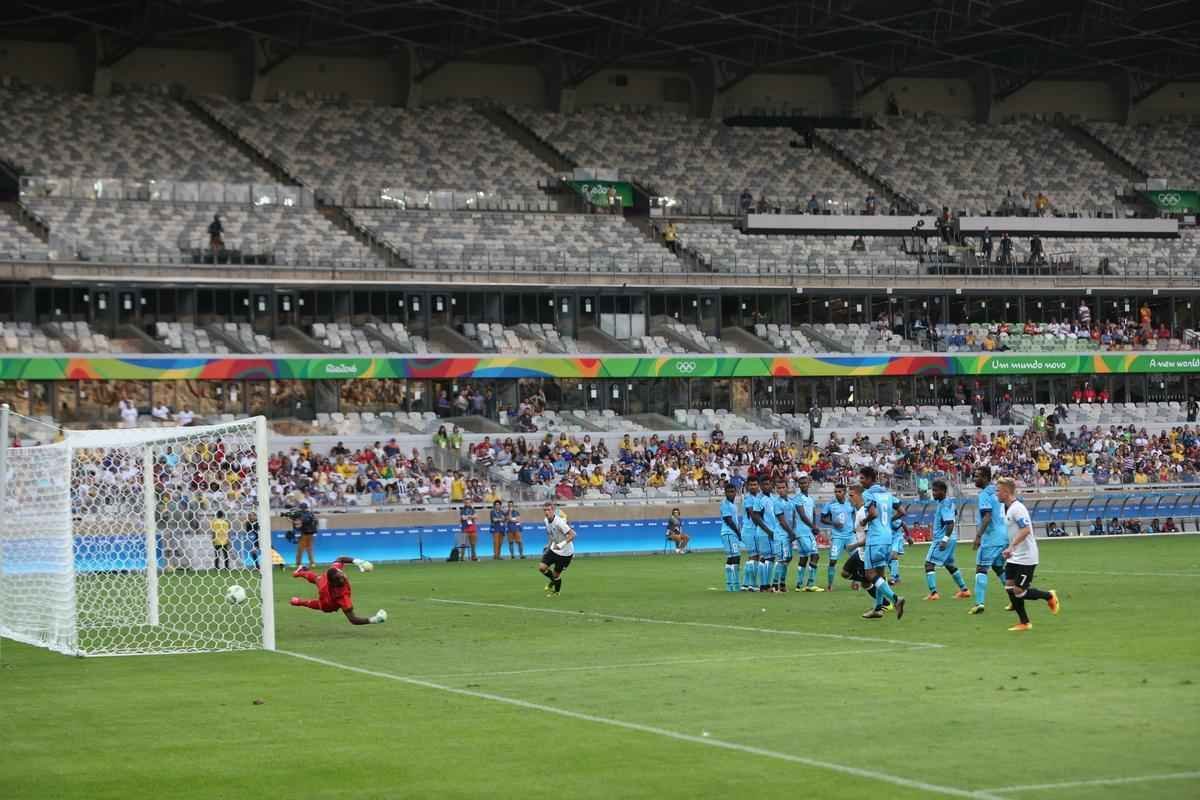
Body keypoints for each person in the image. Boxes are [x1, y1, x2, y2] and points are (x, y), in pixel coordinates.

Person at [997, 477, 1059, 631]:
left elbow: (1025, 530)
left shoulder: (1017, 508)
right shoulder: (1008, 508)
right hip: (1015, 555)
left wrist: (1011, 547)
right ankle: (1024, 622)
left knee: (1019, 591)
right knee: (1009, 587)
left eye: (998, 490)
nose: (996, 493)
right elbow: (1014, 531)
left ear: (1006, 492)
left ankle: (1049, 596)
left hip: (1026, 557)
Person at [858, 466, 904, 620]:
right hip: (888, 536)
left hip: (875, 538)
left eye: (863, 478)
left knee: (869, 574)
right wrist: (889, 521)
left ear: (870, 479)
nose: (861, 481)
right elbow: (902, 511)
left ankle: (895, 599)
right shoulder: (887, 493)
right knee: (880, 574)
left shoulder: (868, 494)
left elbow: (873, 513)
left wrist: (865, 520)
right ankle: (878, 609)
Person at [289, 557, 386, 625]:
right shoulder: (342, 597)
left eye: (341, 575)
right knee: (321, 605)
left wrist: (359, 562)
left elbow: (340, 558)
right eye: (340, 578)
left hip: (324, 579)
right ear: (334, 584)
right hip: (329, 600)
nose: (343, 577)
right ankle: (298, 602)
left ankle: (299, 572)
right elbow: (353, 620)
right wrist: (374, 620)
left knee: (315, 578)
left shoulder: (334, 570)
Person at [968, 466, 1009, 616]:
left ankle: (979, 603)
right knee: (999, 568)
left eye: (977, 476)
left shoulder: (984, 494)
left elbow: (987, 516)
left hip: (991, 539)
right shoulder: (996, 491)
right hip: (1003, 536)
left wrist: (978, 536)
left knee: (981, 569)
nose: (974, 478)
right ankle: (1014, 599)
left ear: (986, 478)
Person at [923, 479, 970, 600]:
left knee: (929, 564)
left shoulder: (945, 504)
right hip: (952, 538)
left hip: (942, 539)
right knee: (949, 565)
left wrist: (944, 539)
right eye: (933, 490)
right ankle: (964, 590)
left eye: (936, 490)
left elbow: (949, 523)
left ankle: (934, 593)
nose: (933, 493)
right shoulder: (948, 503)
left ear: (943, 491)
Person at [820, 483, 856, 591]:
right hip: (837, 537)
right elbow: (822, 519)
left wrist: (854, 526)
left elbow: (855, 514)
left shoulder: (851, 503)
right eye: (835, 491)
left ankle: (856, 581)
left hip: (850, 536)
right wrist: (833, 523)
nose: (837, 493)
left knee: (858, 558)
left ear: (844, 492)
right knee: (833, 560)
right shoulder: (830, 504)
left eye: (839, 491)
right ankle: (830, 585)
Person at [791, 473, 822, 592]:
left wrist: (814, 526)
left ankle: (799, 585)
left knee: (803, 557)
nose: (803, 485)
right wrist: (813, 526)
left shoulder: (810, 499)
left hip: (808, 531)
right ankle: (811, 584)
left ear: (809, 484)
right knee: (815, 555)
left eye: (805, 483)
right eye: (801, 483)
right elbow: (802, 515)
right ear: (799, 485)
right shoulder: (798, 498)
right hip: (802, 531)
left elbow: (813, 513)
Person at [539, 502, 576, 596]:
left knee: (556, 575)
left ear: (553, 511)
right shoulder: (546, 521)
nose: (546, 512)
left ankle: (556, 592)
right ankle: (554, 581)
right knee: (542, 568)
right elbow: (551, 534)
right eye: (545, 510)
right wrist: (548, 545)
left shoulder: (559, 522)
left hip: (565, 552)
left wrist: (560, 545)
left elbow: (573, 535)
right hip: (554, 549)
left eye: (549, 510)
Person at [768, 479, 793, 592]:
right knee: (781, 559)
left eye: (783, 487)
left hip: (788, 534)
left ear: (787, 488)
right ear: (776, 490)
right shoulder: (777, 503)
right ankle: (774, 584)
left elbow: (793, 518)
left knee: (788, 558)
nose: (781, 490)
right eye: (779, 488)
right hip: (781, 534)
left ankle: (782, 584)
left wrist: (793, 531)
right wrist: (792, 533)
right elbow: (782, 521)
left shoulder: (791, 501)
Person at [719, 483, 743, 592]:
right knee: (735, 557)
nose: (731, 494)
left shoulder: (734, 505)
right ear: (725, 493)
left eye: (733, 491)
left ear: (736, 492)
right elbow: (728, 520)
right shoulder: (725, 504)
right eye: (728, 492)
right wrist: (738, 532)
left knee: (731, 557)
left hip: (731, 533)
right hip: (729, 533)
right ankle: (735, 584)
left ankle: (730, 584)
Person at [888, 500, 910, 585]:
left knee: (893, 556)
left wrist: (908, 536)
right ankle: (897, 577)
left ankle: (893, 578)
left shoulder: (895, 519)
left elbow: (903, 525)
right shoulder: (886, 517)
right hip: (888, 539)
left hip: (897, 538)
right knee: (888, 559)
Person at [293, 502, 317, 569]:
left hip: (304, 534)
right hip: (311, 534)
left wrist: (294, 524)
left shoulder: (302, 515)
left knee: (300, 549)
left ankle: (298, 564)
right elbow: (315, 523)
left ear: (301, 508)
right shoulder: (311, 514)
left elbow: (298, 525)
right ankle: (312, 563)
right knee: (309, 549)